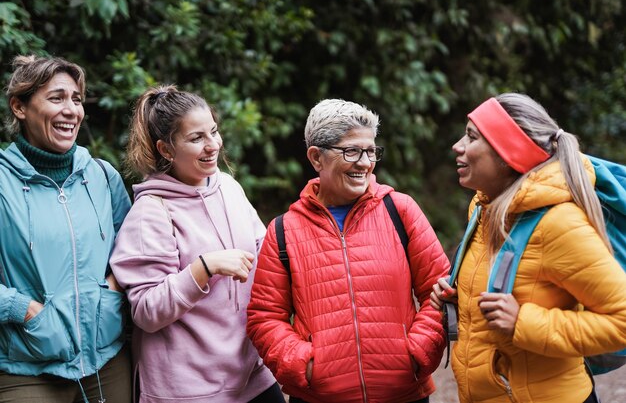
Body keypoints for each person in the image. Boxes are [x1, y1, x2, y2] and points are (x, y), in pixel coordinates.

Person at [247, 98, 450, 403]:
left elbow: (442, 289)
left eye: (371, 151)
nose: (365, 163)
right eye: (352, 151)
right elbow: (264, 317)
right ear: (316, 158)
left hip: (403, 395)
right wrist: (304, 365)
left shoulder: (400, 210)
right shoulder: (283, 230)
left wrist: (417, 352)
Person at [431, 93, 626, 403]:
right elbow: (519, 284)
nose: (458, 146)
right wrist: (460, 296)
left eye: (471, 136)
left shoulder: (558, 223)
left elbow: (622, 320)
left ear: (508, 152)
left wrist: (523, 322)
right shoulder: (483, 209)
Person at [109, 85, 283, 403]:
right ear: (166, 149)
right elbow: (147, 311)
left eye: (213, 132)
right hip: (189, 390)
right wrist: (205, 267)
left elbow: (264, 252)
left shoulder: (228, 187)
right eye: (196, 138)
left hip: (252, 375)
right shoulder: (151, 212)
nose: (212, 145)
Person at [0, 55, 132, 402]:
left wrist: (112, 288)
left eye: (76, 99)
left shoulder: (103, 176)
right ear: (19, 107)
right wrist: (21, 308)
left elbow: (132, 252)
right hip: (25, 366)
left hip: (106, 359)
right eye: (56, 98)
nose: (71, 110)